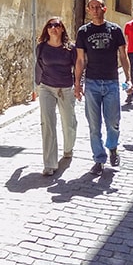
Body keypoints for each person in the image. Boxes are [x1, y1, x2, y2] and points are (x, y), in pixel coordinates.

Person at [74, 0, 131, 176]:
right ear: (88, 10)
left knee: (113, 122)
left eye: (98, 7)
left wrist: (128, 77)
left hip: (112, 81)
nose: (96, 10)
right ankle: (99, 159)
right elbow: (81, 59)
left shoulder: (115, 30)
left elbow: (123, 55)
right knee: (93, 125)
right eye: (92, 7)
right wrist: (77, 84)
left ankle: (112, 148)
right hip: (92, 83)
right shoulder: (83, 32)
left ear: (104, 9)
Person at [35, 17, 77, 176]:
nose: (53, 28)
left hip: (65, 89)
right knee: (47, 123)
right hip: (46, 87)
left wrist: (79, 85)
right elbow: (38, 66)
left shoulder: (70, 48)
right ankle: (50, 164)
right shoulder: (41, 48)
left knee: (69, 123)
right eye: (50, 25)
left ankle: (68, 148)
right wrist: (36, 85)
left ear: (62, 29)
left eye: (57, 25)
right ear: (47, 29)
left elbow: (79, 67)